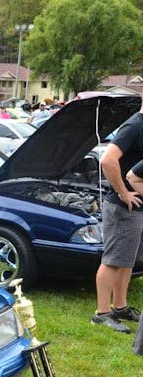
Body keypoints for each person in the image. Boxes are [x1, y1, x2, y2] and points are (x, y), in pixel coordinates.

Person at [92, 100, 143, 333]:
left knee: (126, 261)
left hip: (135, 207)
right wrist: (123, 193)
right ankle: (102, 313)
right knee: (112, 260)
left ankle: (120, 307)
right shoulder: (134, 126)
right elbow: (107, 160)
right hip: (122, 206)